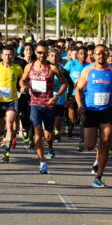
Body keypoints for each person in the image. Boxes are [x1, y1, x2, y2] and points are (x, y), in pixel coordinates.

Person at [75, 44, 112, 188]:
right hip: (90, 111)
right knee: (89, 145)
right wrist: (79, 105)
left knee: (106, 142)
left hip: (106, 111)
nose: (101, 56)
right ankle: (97, 156)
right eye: (98, 54)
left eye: (104, 53)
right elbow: (78, 90)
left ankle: (99, 176)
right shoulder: (88, 70)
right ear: (93, 56)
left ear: (107, 55)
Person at [19, 41, 68, 174]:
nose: (42, 55)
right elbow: (22, 80)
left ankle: (50, 147)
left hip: (48, 104)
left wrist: (56, 96)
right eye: (39, 52)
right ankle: (42, 162)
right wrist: (24, 86)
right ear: (35, 52)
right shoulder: (29, 67)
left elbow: (65, 83)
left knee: (48, 135)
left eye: (44, 53)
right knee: (38, 133)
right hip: (34, 104)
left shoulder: (52, 68)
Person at [0, 44, 22, 163]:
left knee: (9, 123)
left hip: (12, 101)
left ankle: (7, 152)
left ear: (13, 56)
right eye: (5, 55)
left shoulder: (17, 68)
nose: (7, 57)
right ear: (1, 56)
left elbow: (22, 80)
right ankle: (3, 136)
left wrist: (23, 86)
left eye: (10, 55)